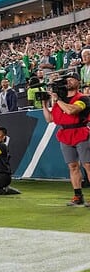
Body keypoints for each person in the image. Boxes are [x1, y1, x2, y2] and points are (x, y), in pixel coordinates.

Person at [42, 72, 90, 206]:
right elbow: (49, 119)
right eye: (67, 80)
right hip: (65, 133)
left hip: (81, 132)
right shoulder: (60, 100)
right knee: (73, 166)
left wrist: (57, 100)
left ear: (78, 82)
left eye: (72, 79)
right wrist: (44, 105)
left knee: (88, 165)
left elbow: (71, 111)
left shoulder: (83, 98)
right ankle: (78, 196)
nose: (68, 81)